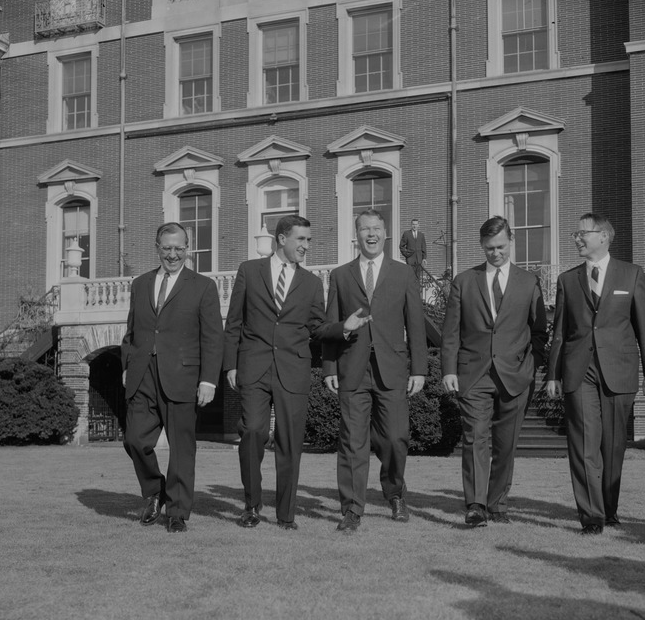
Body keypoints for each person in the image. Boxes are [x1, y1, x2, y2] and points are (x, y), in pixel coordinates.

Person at [223, 215, 369, 531]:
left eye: (308, 240)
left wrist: (343, 327)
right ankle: (251, 506)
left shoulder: (312, 282)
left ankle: (286, 514)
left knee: (290, 442)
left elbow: (317, 327)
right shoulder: (249, 271)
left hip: (294, 369)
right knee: (253, 432)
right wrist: (231, 365)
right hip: (254, 366)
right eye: (301, 239)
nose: (306, 246)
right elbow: (234, 321)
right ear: (281, 239)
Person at [546, 213, 645, 535]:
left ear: (604, 236)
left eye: (583, 234)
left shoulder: (631, 274)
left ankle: (609, 510)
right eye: (576, 234)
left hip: (619, 370)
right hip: (578, 370)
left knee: (612, 446)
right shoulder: (567, 280)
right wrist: (553, 373)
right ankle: (592, 517)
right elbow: (560, 332)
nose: (577, 239)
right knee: (584, 444)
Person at [323, 210, 428, 533]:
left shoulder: (402, 274)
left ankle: (395, 493)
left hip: (392, 370)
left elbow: (416, 324)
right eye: (365, 229)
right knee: (353, 443)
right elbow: (330, 324)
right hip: (352, 369)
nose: (371, 234)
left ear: (386, 233)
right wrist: (329, 366)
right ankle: (352, 509)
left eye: (376, 228)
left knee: (396, 438)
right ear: (357, 235)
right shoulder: (341, 275)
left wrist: (419, 369)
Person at [441, 216, 548, 527]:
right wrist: (449, 369)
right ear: (481, 246)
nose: (495, 253)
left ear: (510, 242)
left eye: (500, 247)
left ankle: (497, 505)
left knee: (506, 444)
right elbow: (451, 332)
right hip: (473, 374)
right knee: (475, 437)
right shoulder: (464, 281)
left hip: (516, 376)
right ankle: (475, 506)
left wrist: (531, 365)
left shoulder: (529, 282)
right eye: (489, 248)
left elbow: (539, 331)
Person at [121, 222, 224, 533]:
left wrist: (208, 380)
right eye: (167, 248)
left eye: (179, 248)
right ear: (157, 248)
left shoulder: (203, 286)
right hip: (143, 375)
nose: (173, 254)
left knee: (181, 448)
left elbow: (213, 338)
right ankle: (155, 491)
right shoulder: (140, 284)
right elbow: (132, 330)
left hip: (183, 376)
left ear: (188, 249)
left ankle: (177, 512)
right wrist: (127, 363)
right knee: (135, 440)